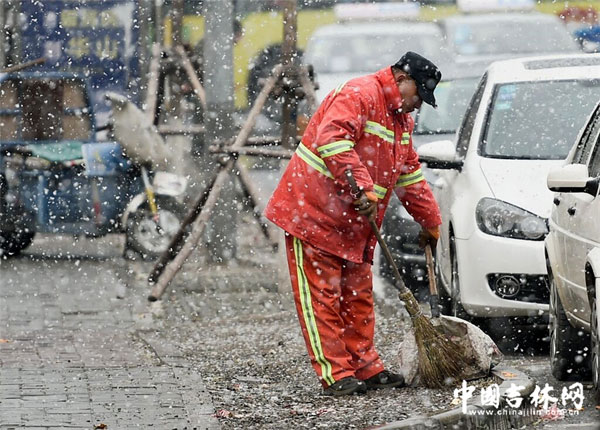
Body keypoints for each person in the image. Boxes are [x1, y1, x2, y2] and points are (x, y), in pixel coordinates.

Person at [264, 52, 443, 396]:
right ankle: (336, 373)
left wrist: (430, 221)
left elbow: (409, 176)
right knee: (323, 298)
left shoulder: (401, 121)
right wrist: (361, 187)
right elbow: (333, 141)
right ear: (402, 79)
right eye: (417, 95)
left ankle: (366, 366)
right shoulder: (359, 94)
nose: (417, 105)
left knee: (358, 297)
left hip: (355, 224)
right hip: (314, 215)